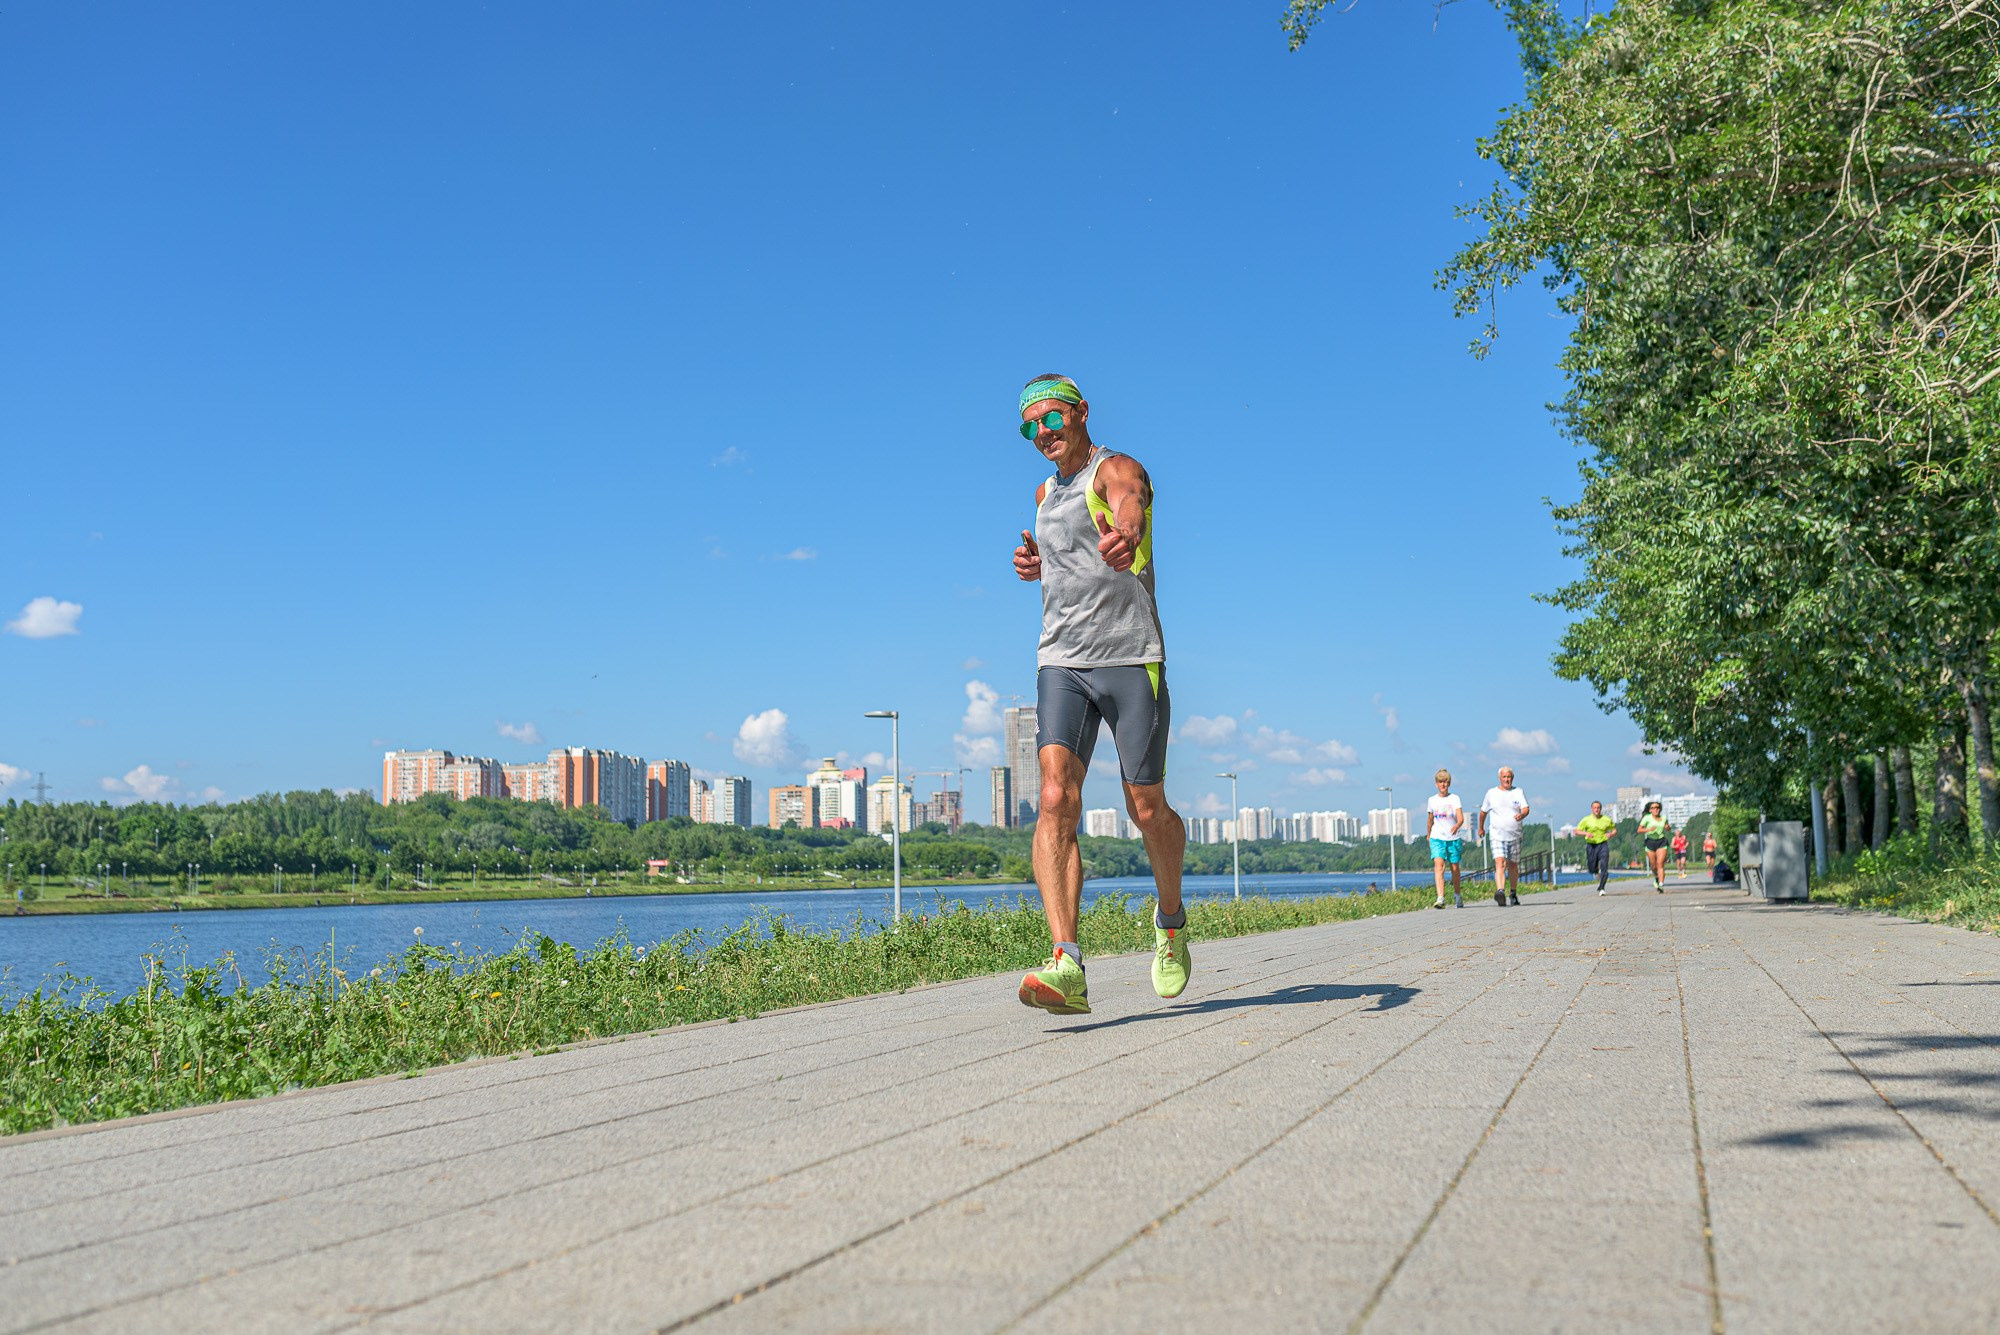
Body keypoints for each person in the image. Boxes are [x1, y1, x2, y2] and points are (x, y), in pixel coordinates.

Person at [1010, 374, 1186, 1015]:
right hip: (1061, 659)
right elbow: (1066, 559)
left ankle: (1171, 921)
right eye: (1030, 426)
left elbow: (1129, 501)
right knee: (1055, 797)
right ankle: (1066, 963)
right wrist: (1037, 564)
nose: (1043, 433)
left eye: (1053, 418)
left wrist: (1128, 533)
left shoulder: (1115, 469)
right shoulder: (1043, 494)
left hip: (1131, 658)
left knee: (1147, 808)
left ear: (1081, 412)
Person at [1477, 767, 1531, 906]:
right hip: (1497, 835)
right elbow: (1483, 812)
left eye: (1509, 777)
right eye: (1504, 777)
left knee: (1513, 865)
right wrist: (1481, 827)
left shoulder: (1518, 792)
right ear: (1499, 778)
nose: (1507, 779)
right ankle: (1500, 892)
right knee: (1500, 863)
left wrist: (1522, 815)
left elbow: (1526, 808)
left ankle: (1513, 893)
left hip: (1515, 835)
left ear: (1512, 778)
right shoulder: (1491, 793)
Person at [1425, 768, 1467, 908]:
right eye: (1440, 782)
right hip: (1437, 838)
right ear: (1436, 784)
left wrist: (1457, 825)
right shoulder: (1432, 800)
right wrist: (1428, 835)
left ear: (1449, 783)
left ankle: (1457, 895)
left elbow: (1461, 818)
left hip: (1453, 838)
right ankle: (1440, 898)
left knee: (1454, 868)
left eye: (1445, 782)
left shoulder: (1454, 799)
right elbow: (1430, 820)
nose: (1443, 784)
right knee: (1439, 865)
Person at [1576, 799, 1617, 895]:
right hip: (1591, 845)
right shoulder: (1586, 820)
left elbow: (1614, 830)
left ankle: (1602, 888)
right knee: (1591, 868)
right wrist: (1586, 833)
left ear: (1601, 809)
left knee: (1604, 866)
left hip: (1603, 844)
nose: (1596, 810)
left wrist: (1610, 834)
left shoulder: (1606, 819)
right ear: (1591, 809)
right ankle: (1595, 871)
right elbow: (1577, 831)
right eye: (1595, 808)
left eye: (1598, 808)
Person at [1638, 799, 1672, 892]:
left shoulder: (1664, 818)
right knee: (1653, 865)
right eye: (1653, 808)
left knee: (1660, 863)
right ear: (1650, 810)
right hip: (1650, 842)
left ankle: (1661, 884)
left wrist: (1668, 827)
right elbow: (1639, 830)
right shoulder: (1647, 818)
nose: (1656, 809)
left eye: (1658, 807)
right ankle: (1657, 877)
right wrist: (1648, 830)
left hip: (1661, 841)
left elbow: (1668, 828)